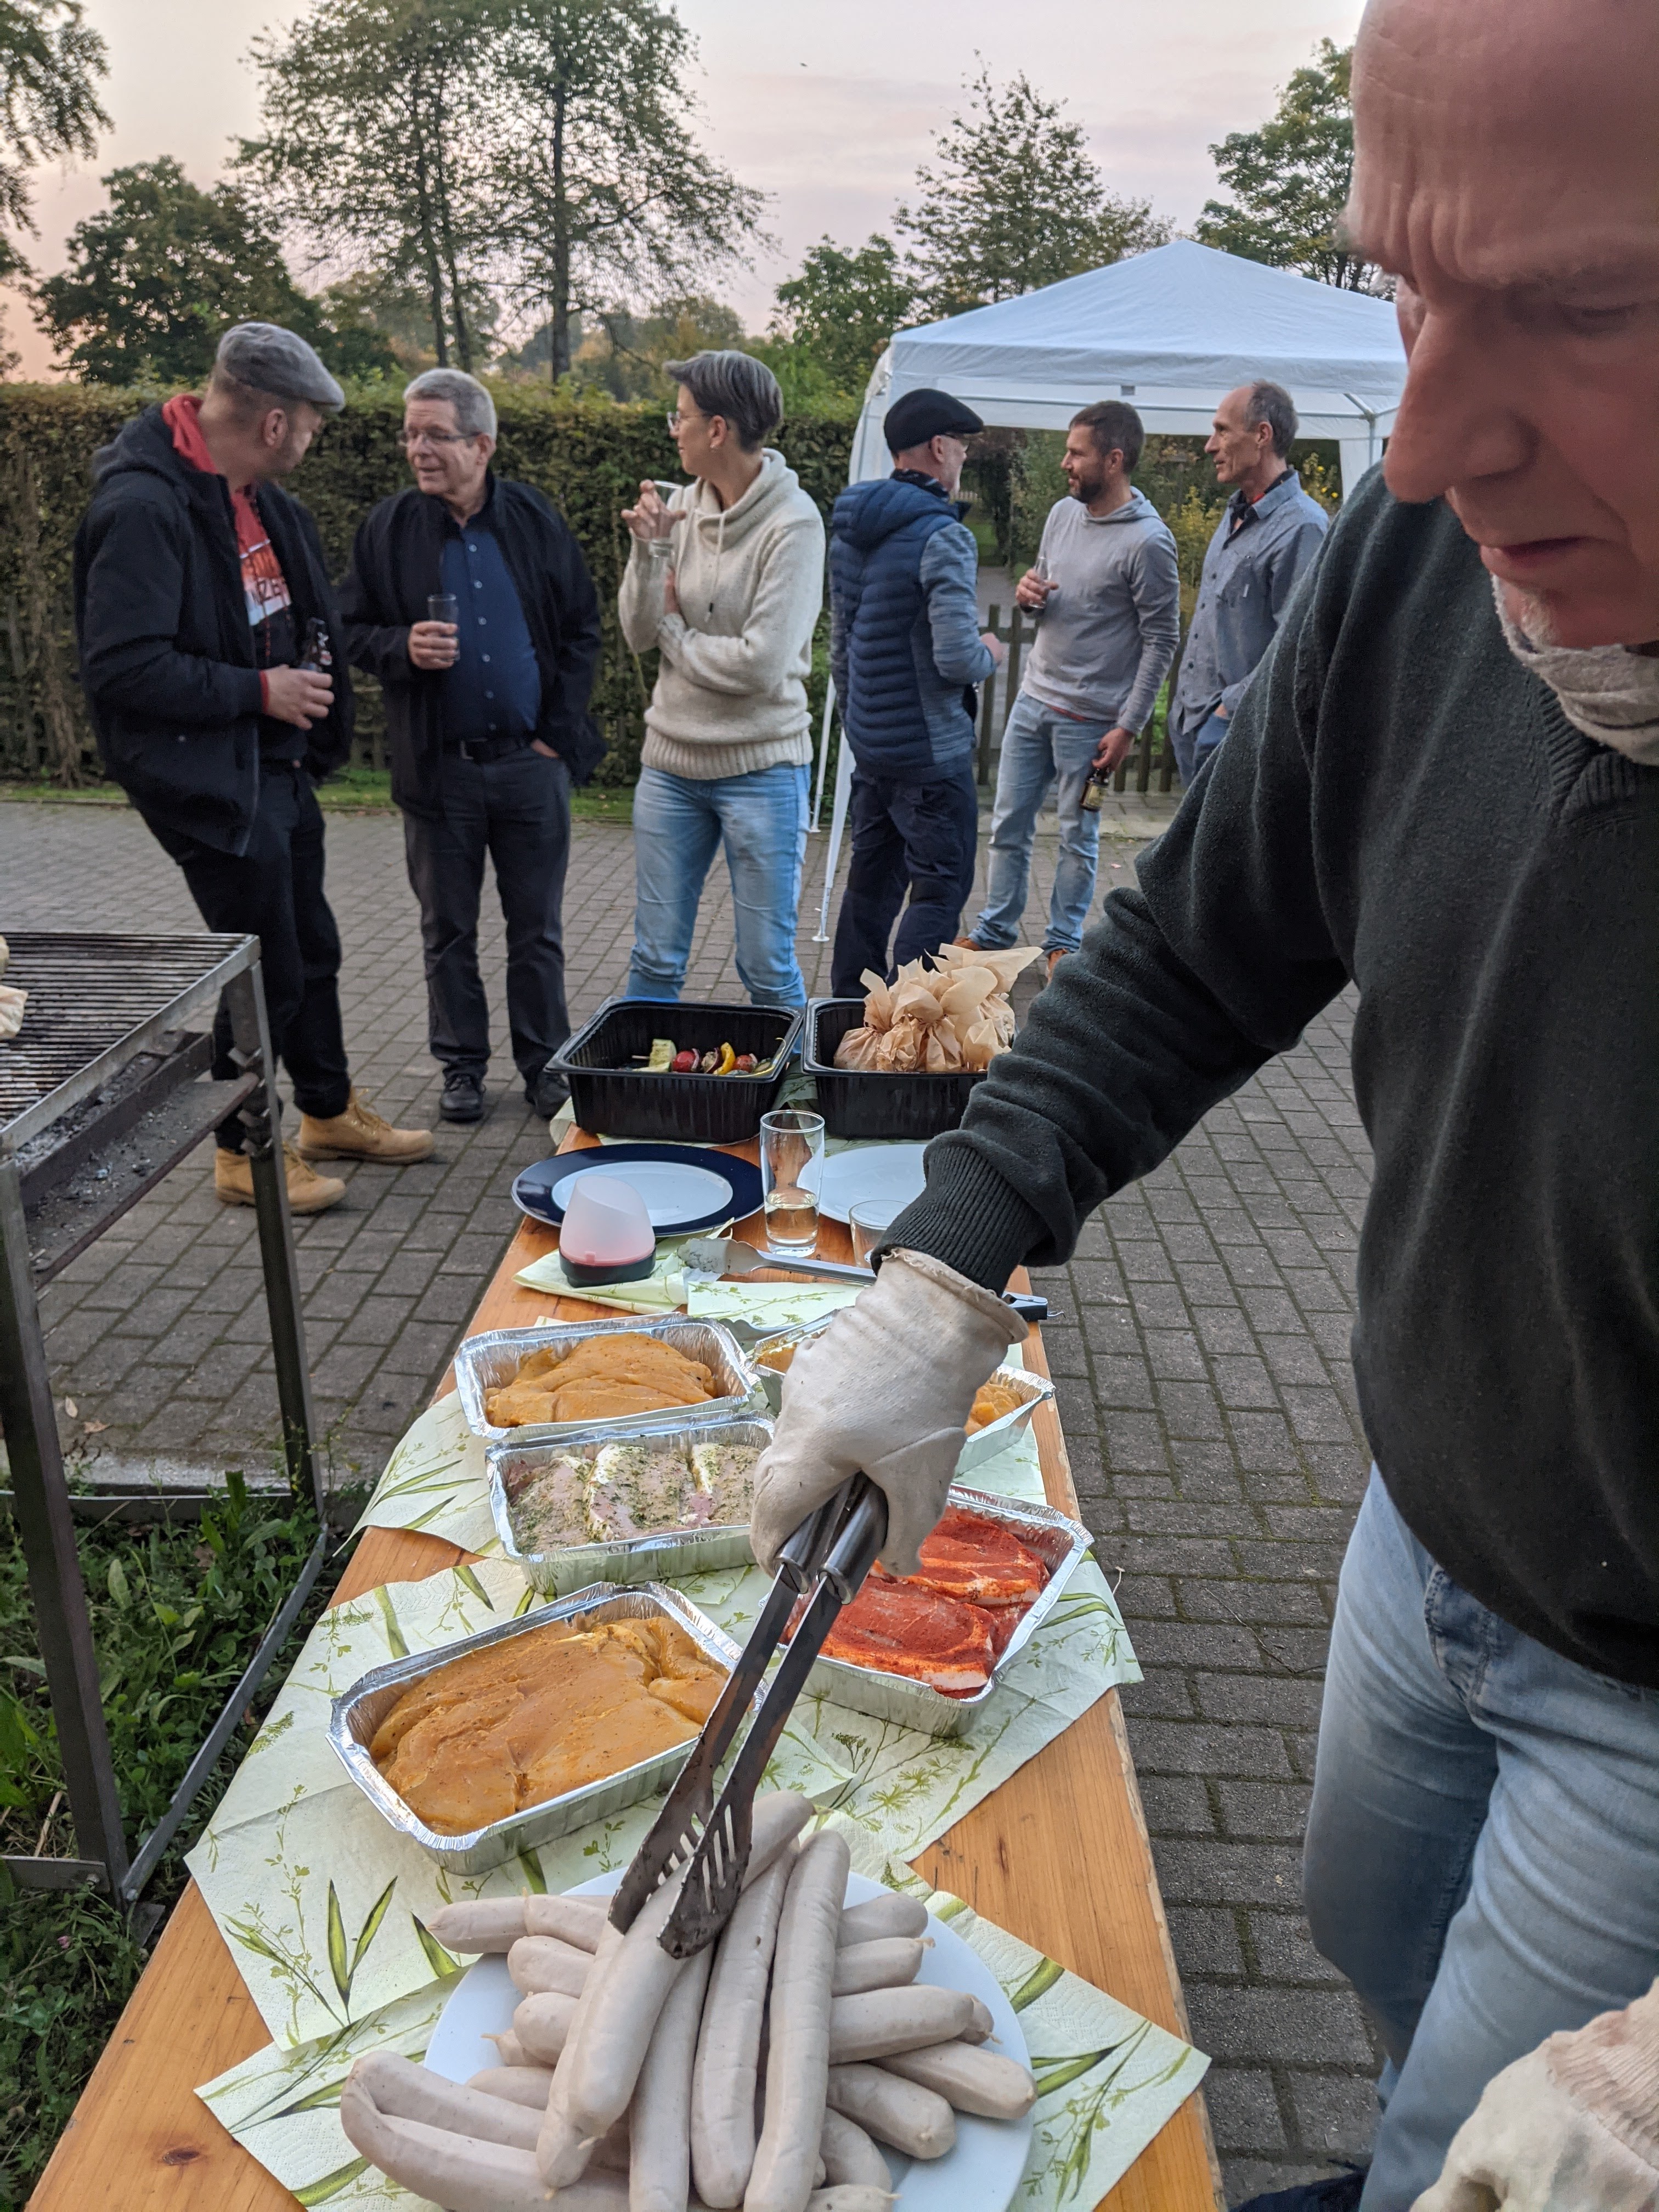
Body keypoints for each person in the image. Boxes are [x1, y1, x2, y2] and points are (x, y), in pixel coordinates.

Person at [750, 0, 1659, 2207]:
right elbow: (1191, 948)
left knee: (1473, 2148)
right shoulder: (1430, 566)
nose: (1424, 447)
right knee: (1381, 1971)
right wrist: (949, 1268)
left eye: (1585, 305)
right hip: (1422, 1539)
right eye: (1407, 291)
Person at [73, 322, 432, 1215]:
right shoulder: (144, 507)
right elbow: (123, 667)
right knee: (258, 967)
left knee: (312, 947)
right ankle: (241, 1150)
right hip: (209, 781)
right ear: (274, 423)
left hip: (276, 764)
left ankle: (327, 1110)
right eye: (310, 423)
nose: (313, 438)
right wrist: (259, 690)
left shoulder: (260, 500)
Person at [338, 369, 602, 1125]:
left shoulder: (533, 519)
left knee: (537, 932)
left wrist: (555, 738)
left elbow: (582, 628)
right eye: (410, 434)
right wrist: (400, 646)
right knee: (447, 930)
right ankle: (461, 1069)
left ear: (481, 445)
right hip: (439, 770)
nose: (417, 449)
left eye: (435, 435)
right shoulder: (389, 528)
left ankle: (544, 1064)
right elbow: (345, 627)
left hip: (529, 766)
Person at [618, 351, 824, 1009]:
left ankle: (791, 1079)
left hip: (762, 770)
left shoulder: (794, 523)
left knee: (765, 965)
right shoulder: (677, 511)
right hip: (670, 769)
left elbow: (762, 665)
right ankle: (648, 1078)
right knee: (655, 958)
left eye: (679, 416)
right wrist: (649, 551)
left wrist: (678, 634)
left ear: (717, 429)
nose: (672, 429)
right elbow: (637, 632)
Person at [960, 402, 1179, 979]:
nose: (1065, 463)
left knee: (1078, 835)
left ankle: (1063, 943)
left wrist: (1128, 726)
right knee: (1008, 825)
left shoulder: (1149, 542)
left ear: (1114, 459)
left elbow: (1162, 640)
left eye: (1077, 453)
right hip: (1033, 700)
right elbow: (1044, 589)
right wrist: (1028, 597)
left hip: (1091, 721)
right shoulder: (1062, 514)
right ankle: (995, 933)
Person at [828, 388, 1008, 994]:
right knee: (939, 890)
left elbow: (841, 650)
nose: (963, 457)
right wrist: (991, 652)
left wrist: (863, 728)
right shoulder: (943, 536)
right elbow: (956, 659)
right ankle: (907, 1022)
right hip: (932, 759)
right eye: (961, 446)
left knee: (870, 888)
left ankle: (846, 1019)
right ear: (937, 447)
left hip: (874, 753)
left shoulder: (850, 530)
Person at [1167, 381, 1330, 785]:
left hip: (1236, 735)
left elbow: (1300, 646)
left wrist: (1228, 711)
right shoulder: (1235, 514)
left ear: (1262, 435)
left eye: (1222, 431)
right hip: (1193, 723)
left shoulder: (1303, 527)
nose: (1210, 446)